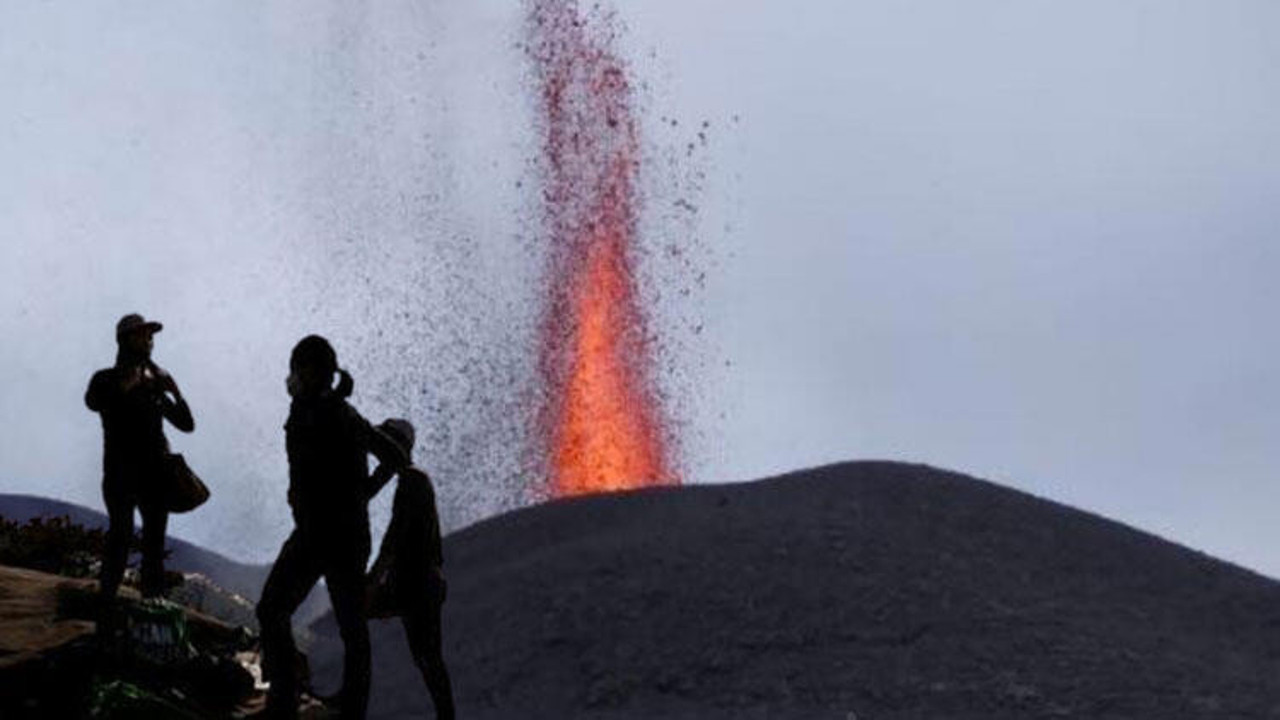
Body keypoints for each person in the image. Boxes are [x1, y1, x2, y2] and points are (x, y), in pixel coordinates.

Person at [255, 335, 407, 720]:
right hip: (325, 534)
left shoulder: (338, 413)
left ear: (311, 370)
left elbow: (395, 455)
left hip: (331, 537)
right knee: (319, 620)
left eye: (297, 368)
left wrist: (359, 495)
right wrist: (360, 495)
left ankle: (299, 703)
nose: (292, 376)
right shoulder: (317, 409)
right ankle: (296, 701)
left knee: (295, 613)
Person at [85, 313, 194, 600]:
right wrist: (128, 384)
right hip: (120, 474)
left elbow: (186, 424)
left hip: (155, 475)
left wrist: (176, 392)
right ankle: (106, 613)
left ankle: (151, 616)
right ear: (126, 339)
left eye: (151, 336)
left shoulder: (156, 380)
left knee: (154, 547)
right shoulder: (105, 379)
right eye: (143, 335)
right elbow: (93, 402)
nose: (150, 341)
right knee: (119, 541)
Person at [366, 418, 455, 720]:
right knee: (427, 656)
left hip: (415, 582)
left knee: (427, 656)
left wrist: (375, 577)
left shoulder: (411, 481)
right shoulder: (414, 478)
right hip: (421, 582)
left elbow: (395, 535)